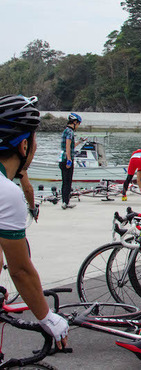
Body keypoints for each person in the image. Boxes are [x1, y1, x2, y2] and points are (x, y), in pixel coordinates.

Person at [0, 94, 69, 349]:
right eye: (34, 138)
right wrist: (46, 317)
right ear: (23, 146)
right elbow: (20, 270)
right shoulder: (7, 193)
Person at [59, 112, 81, 209]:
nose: (78, 126)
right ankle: (65, 202)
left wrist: (80, 142)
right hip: (66, 159)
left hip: (62, 159)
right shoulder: (70, 132)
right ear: (75, 122)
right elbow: (68, 146)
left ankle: (65, 201)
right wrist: (69, 160)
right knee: (68, 182)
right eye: (78, 124)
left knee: (65, 181)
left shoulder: (66, 131)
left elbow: (71, 146)